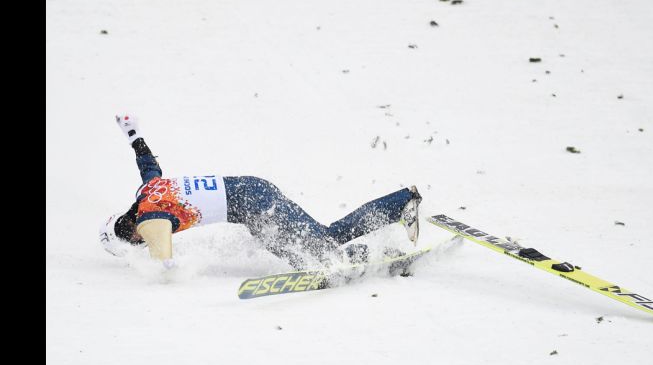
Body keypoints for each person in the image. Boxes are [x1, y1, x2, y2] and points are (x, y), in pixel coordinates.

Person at [99, 114, 422, 269]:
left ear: (131, 234)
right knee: (303, 256)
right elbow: (146, 162)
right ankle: (375, 257)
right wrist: (132, 133)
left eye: (134, 245)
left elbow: (164, 260)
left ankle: (401, 203)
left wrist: (161, 270)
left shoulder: (150, 221)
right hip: (251, 201)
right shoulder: (147, 191)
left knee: (323, 240)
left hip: (254, 203)